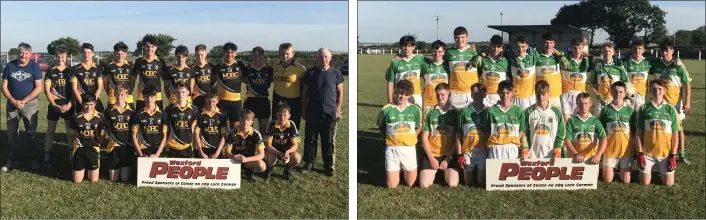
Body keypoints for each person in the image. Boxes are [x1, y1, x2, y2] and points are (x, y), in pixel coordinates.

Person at [301, 48, 344, 175]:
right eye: (320, 57)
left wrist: (338, 109)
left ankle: (329, 165)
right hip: (312, 111)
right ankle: (309, 163)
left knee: (328, 140)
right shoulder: (310, 73)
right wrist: (303, 110)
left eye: (325, 57)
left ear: (330, 58)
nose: (323, 59)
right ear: (316, 58)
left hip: (329, 112)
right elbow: (304, 93)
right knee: (310, 139)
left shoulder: (336, 73)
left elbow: (340, 92)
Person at [2, 43, 43, 171]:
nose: (23, 55)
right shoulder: (10, 66)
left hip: (29, 105)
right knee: (12, 134)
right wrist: (14, 101)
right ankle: (12, 160)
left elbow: (38, 88)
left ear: (30, 54)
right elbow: (4, 86)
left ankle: (33, 159)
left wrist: (24, 101)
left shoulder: (34, 66)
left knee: (31, 132)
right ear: (18, 52)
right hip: (12, 104)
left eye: (26, 52)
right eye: (21, 52)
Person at [649, 41, 692, 165]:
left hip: (675, 103)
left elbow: (687, 84)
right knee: (657, 126)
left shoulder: (678, 66)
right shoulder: (656, 63)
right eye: (662, 51)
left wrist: (687, 101)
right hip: (658, 102)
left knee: (678, 128)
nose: (664, 53)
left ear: (672, 51)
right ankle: (656, 151)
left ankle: (682, 155)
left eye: (667, 50)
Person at [377, 79, 422, 188]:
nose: (402, 97)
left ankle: (403, 171)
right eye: (400, 93)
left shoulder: (415, 109)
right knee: (392, 185)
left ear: (410, 95)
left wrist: (409, 137)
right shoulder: (386, 109)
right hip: (392, 149)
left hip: (409, 149)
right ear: (395, 92)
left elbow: (419, 127)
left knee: (411, 183)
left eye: (406, 94)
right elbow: (382, 128)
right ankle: (396, 172)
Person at [635, 79, 679, 186]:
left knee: (669, 184)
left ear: (664, 91)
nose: (657, 92)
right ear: (650, 91)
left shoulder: (671, 109)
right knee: (644, 183)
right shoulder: (644, 108)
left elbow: (675, 135)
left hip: (665, 154)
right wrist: (640, 153)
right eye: (654, 89)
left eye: (660, 89)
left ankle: (661, 171)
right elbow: (638, 134)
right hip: (647, 154)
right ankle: (649, 170)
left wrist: (673, 155)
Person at [419, 83, 459, 188]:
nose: (439, 97)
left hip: (449, 154)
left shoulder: (456, 113)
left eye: (442, 94)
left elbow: (458, 139)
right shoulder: (429, 112)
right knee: (424, 184)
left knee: (452, 183)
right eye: (437, 95)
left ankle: (445, 171)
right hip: (432, 154)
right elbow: (424, 139)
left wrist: (448, 159)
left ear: (449, 94)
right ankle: (434, 169)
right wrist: (431, 159)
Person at [43, 46, 74, 169]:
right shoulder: (51, 70)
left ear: (66, 57)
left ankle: (71, 155)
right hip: (54, 105)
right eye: (58, 56)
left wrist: (70, 104)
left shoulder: (71, 70)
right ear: (55, 56)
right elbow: (47, 90)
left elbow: (75, 90)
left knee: (70, 131)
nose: (60, 59)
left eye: (63, 57)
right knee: (50, 131)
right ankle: (47, 156)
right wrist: (54, 104)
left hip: (68, 105)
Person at [597, 81, 635, 183]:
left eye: (621, 92)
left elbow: (635, 131)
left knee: (626, 181)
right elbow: (600, 131)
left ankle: (622, 168)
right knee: (607, 180)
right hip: (610, 150)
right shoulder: (605, 110)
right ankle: (610, 168)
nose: (618, 94)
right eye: (615, 91)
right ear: (611, 92)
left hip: (625, 151)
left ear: (625, 93)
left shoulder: (630, 111)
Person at [67, 93, 106, 183]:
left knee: (94, 180)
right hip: (79, 149)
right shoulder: (76, 117)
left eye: (91, 104)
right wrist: (74, 145)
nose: (89, 107)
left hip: (93, 149)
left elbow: (103, 133)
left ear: (95, 104)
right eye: (86, 104)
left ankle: (88, 169)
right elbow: (71, 133)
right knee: (77, 181)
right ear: (82, 104)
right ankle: (81, 168)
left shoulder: (100, 117)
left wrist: (99, 143)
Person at [522, 80, 565, 159]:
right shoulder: (528, 111)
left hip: (551, 156)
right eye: (538, 94)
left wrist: (558, 149)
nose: (541, 97)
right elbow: (524, 132)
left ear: (548, 93)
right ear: (535, 94)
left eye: (543, 94)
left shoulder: (556, 112)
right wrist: (525, 149)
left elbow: (561, 132)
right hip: (532, 156)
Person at [484, 80, 527, 159]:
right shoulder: (490, 110)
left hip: (511, 148)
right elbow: (487, 131)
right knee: (495, 171)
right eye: (502, 93)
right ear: (497, 92)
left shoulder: (519, 111)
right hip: (495, 148)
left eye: (507, 93)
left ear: (512, 93)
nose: (504, 96)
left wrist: (511, 141)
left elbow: (521, 131)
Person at [457, 83, 489, 186]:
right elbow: (459, 134)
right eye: (475, 92)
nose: (478, 95)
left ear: (485, 94)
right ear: (471, 95)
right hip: (468, 152)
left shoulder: (489, 111)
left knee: (481, 182)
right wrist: (460, 155)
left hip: (483, 152)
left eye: (481, 92)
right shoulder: (464, 112)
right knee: (469, 183)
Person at [564, 93, 607, 166]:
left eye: (585, 103)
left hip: (591, 160)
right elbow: (567, 141)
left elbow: (604, 139)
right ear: (576, 104)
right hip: (575, 159)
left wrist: (599, 155)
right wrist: (576, 154)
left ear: (590, 104)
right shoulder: (571, 121)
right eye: (580, 103)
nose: (583, 106)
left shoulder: (595, 121)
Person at [104, 83, 135, 182]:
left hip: (127, 146)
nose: (119, 97)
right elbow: (104, 128)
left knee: (124, 178)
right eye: (117, 94)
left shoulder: (132, 112)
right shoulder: (108, 111)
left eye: (122, 94)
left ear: (127, 95)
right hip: (113, 146)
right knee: (113, 179)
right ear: (114, 95)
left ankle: (128, 166)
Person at [224, 110, 267, 181]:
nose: (245, 122)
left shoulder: (256, 134)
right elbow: (227, 153)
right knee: (222, 161)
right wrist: (233, 156)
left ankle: (248, 170)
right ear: (239, 119)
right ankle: (235, 170)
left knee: (262, 166)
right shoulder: (231, 133)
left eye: (248, 120)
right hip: (234, 159)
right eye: (243, 119)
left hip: (248, 160)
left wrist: (246, 159)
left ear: (252, 121)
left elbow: (261, 155)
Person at [263, 104, 301, 182]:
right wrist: (279, 153)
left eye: (285, 115)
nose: (282, 118)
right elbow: (268, 145)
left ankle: (287, 170)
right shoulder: (272, 124)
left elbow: (295, 145)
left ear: (289, 115)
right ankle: (269, 169)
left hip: (286, 150)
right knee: (271, 158)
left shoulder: (292, 125)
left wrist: (288, 151)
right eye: (280, 115)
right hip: (274, 150)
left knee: (297, 158)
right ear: (276, 115)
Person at [272, 43, 306, 129]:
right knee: (276, 127)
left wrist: (303, 107)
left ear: (293, 53)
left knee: (292, 128)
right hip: (278, 100)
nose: (285, 56)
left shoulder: (300, 69)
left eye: (288, 53)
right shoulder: (275, 67)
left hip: (294, 102)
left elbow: (305, 88)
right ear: (279, 54)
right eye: (282, 54)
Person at [214, 42, 248, 128]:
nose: (229, 54)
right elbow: (210, 83)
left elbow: (247, 80)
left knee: (235, 128)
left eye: (232, 52)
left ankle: (232, 141)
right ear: (223, 53)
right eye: (227, 52)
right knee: (222, 127)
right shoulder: (217, 67)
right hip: (221, 102)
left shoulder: (240, 66)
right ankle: (223, 141)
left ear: (235, 53)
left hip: (236, 102)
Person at [445, 26, 480, 109]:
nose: (460, 40)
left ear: (467, 37)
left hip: (472, 92)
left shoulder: (474, 52)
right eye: (457, 38)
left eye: (462, 37)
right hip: (455, 93)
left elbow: (480, 70)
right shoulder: (449, 52)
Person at [162, 83, 199, 158]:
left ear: (188, 93)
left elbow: (195, 130)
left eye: (183, 92)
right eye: (178, 92)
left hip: (187, 148)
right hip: (171, 147)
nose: (180, 94)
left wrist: (196, 148)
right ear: (175, 92)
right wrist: (165, 145)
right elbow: (165, 130)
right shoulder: (169, 109)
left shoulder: (194, 110)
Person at [591, 42, 628, 116]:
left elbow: (626, 83)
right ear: (602, 52)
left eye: (609, 51)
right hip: (601, 101)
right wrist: (599, 96)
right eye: (605, 51)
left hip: (615, 101)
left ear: (613, 52)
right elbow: (591, 86)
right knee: (599, 125)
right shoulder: (597, 66)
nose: (607, 53)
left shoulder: (619, 67)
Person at [385, 35, 423, 108]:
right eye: (404, 46)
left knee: (416, 118)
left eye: (409, 46)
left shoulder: (420, 59)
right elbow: (390, 81)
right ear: (400, 47)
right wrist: (390, 99)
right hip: (400, 95)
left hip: (416, 96)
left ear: (414, 47)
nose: (406, 48)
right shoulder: (395, 62)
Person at [130, 85, 168, 158]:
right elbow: (134, 136)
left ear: (155, 97)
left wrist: (157, 155)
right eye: (146, 97)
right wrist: (140, 155)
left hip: (157, 151)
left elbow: (164, 136)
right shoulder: (138, 114)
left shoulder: (162, 114)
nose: (149, 99)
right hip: (143, 151)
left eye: (151, 96)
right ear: (143, 97)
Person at [472, 35, 510, 108]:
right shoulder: (483, 60)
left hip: (500, 97)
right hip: (486, 98)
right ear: (490, 45)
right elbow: (477, 75)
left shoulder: (506, 62)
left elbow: (511, 79)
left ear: (502, 47)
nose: (495, 49)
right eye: (493, 46)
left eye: (498, 47)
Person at [560, 37, 593, 122]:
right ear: (571, 47)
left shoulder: (587, 61)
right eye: (575, 48)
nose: (577, 50)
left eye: (580, 48)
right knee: (567, 123)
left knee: (578, 121)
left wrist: (587, 55)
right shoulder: (565, 59)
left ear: (583, 48)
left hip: (580, 95)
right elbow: (557, 54)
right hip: (566, 94)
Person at [133, 35, 168, 110]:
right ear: (144, 47)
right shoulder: (139, 61)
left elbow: (166, 81)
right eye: (147, 46)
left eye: (152, 46)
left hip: (157, 96)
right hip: (142, 96)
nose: (150, 49)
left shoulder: (161, 62)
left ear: (156, 48)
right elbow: (133, 79)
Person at [534, 32, 568, 109]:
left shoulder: (557, 56)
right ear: (541, 43)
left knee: (556, 118)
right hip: (541, 95)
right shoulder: (536, 56)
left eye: (550, 43)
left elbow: (566, 64)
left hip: (555, 94)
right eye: (546, 43)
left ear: (554, 44)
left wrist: (556, 52)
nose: (548, 45)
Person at [244, 46, 274, 129]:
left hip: (263, 101)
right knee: (248, 128)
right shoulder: (247, 69)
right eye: (255, 56)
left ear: (263, 56)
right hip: (250, 101)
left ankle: (262, 142)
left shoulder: (270, 70)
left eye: (260, 55)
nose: (257, 58)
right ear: (252, 56)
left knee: (263, 129)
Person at [71, 43, 105, 114]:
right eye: (84, 52)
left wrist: (92, 103)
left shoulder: (98, 68)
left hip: (95, 103)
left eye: (89, 53)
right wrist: (82, 103)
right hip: (81, 103)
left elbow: (100, 87)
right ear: (81, 53)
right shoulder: (75, 69)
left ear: (92, 54)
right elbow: (74, 88)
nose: (86, 55)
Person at [508, 36, 538, 110]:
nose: (520, 49)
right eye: (518, 47)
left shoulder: (533, 57)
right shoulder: (511, 60)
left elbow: (548, 51)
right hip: (516, 97)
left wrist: (561, 55)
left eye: (523, 46)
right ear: (515, 47)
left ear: (527, 46)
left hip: (530, 96)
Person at [103, 41, 135, 110]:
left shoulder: (130, 66)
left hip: (128, 99)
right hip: (113, 99)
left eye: (122, 54)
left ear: (126, 54)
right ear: (114, 53)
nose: (120, 56)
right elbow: (105, 83)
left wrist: (129, 92)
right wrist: (110, 94)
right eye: (118, 53)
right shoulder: (109, 66)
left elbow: (133, 82)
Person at [620, 39, 650, 110]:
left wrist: (675, 60)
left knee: (639, 118)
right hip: (628, 96)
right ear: (632, 49)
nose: (637, 51)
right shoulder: (625, 63)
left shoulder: (647, 62)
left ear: (643, 50)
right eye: (635, 48)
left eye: (640, 48)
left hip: (641, 96)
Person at [421, 40, 450, 112]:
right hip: (428, 104)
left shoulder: (449, 66)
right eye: (434, 51)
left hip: (445, 103)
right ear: (431, 51)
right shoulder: (424, 65)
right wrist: (399, 56)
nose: (437, 54)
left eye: (439, 52)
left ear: (444, 52)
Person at [191, 44, 215, 110]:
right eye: (197, 55)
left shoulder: (212, 67)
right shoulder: (191, 69)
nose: (199, 57)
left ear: (206, 54)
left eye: (201, 54)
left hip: (210, 99)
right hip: (197, 98)